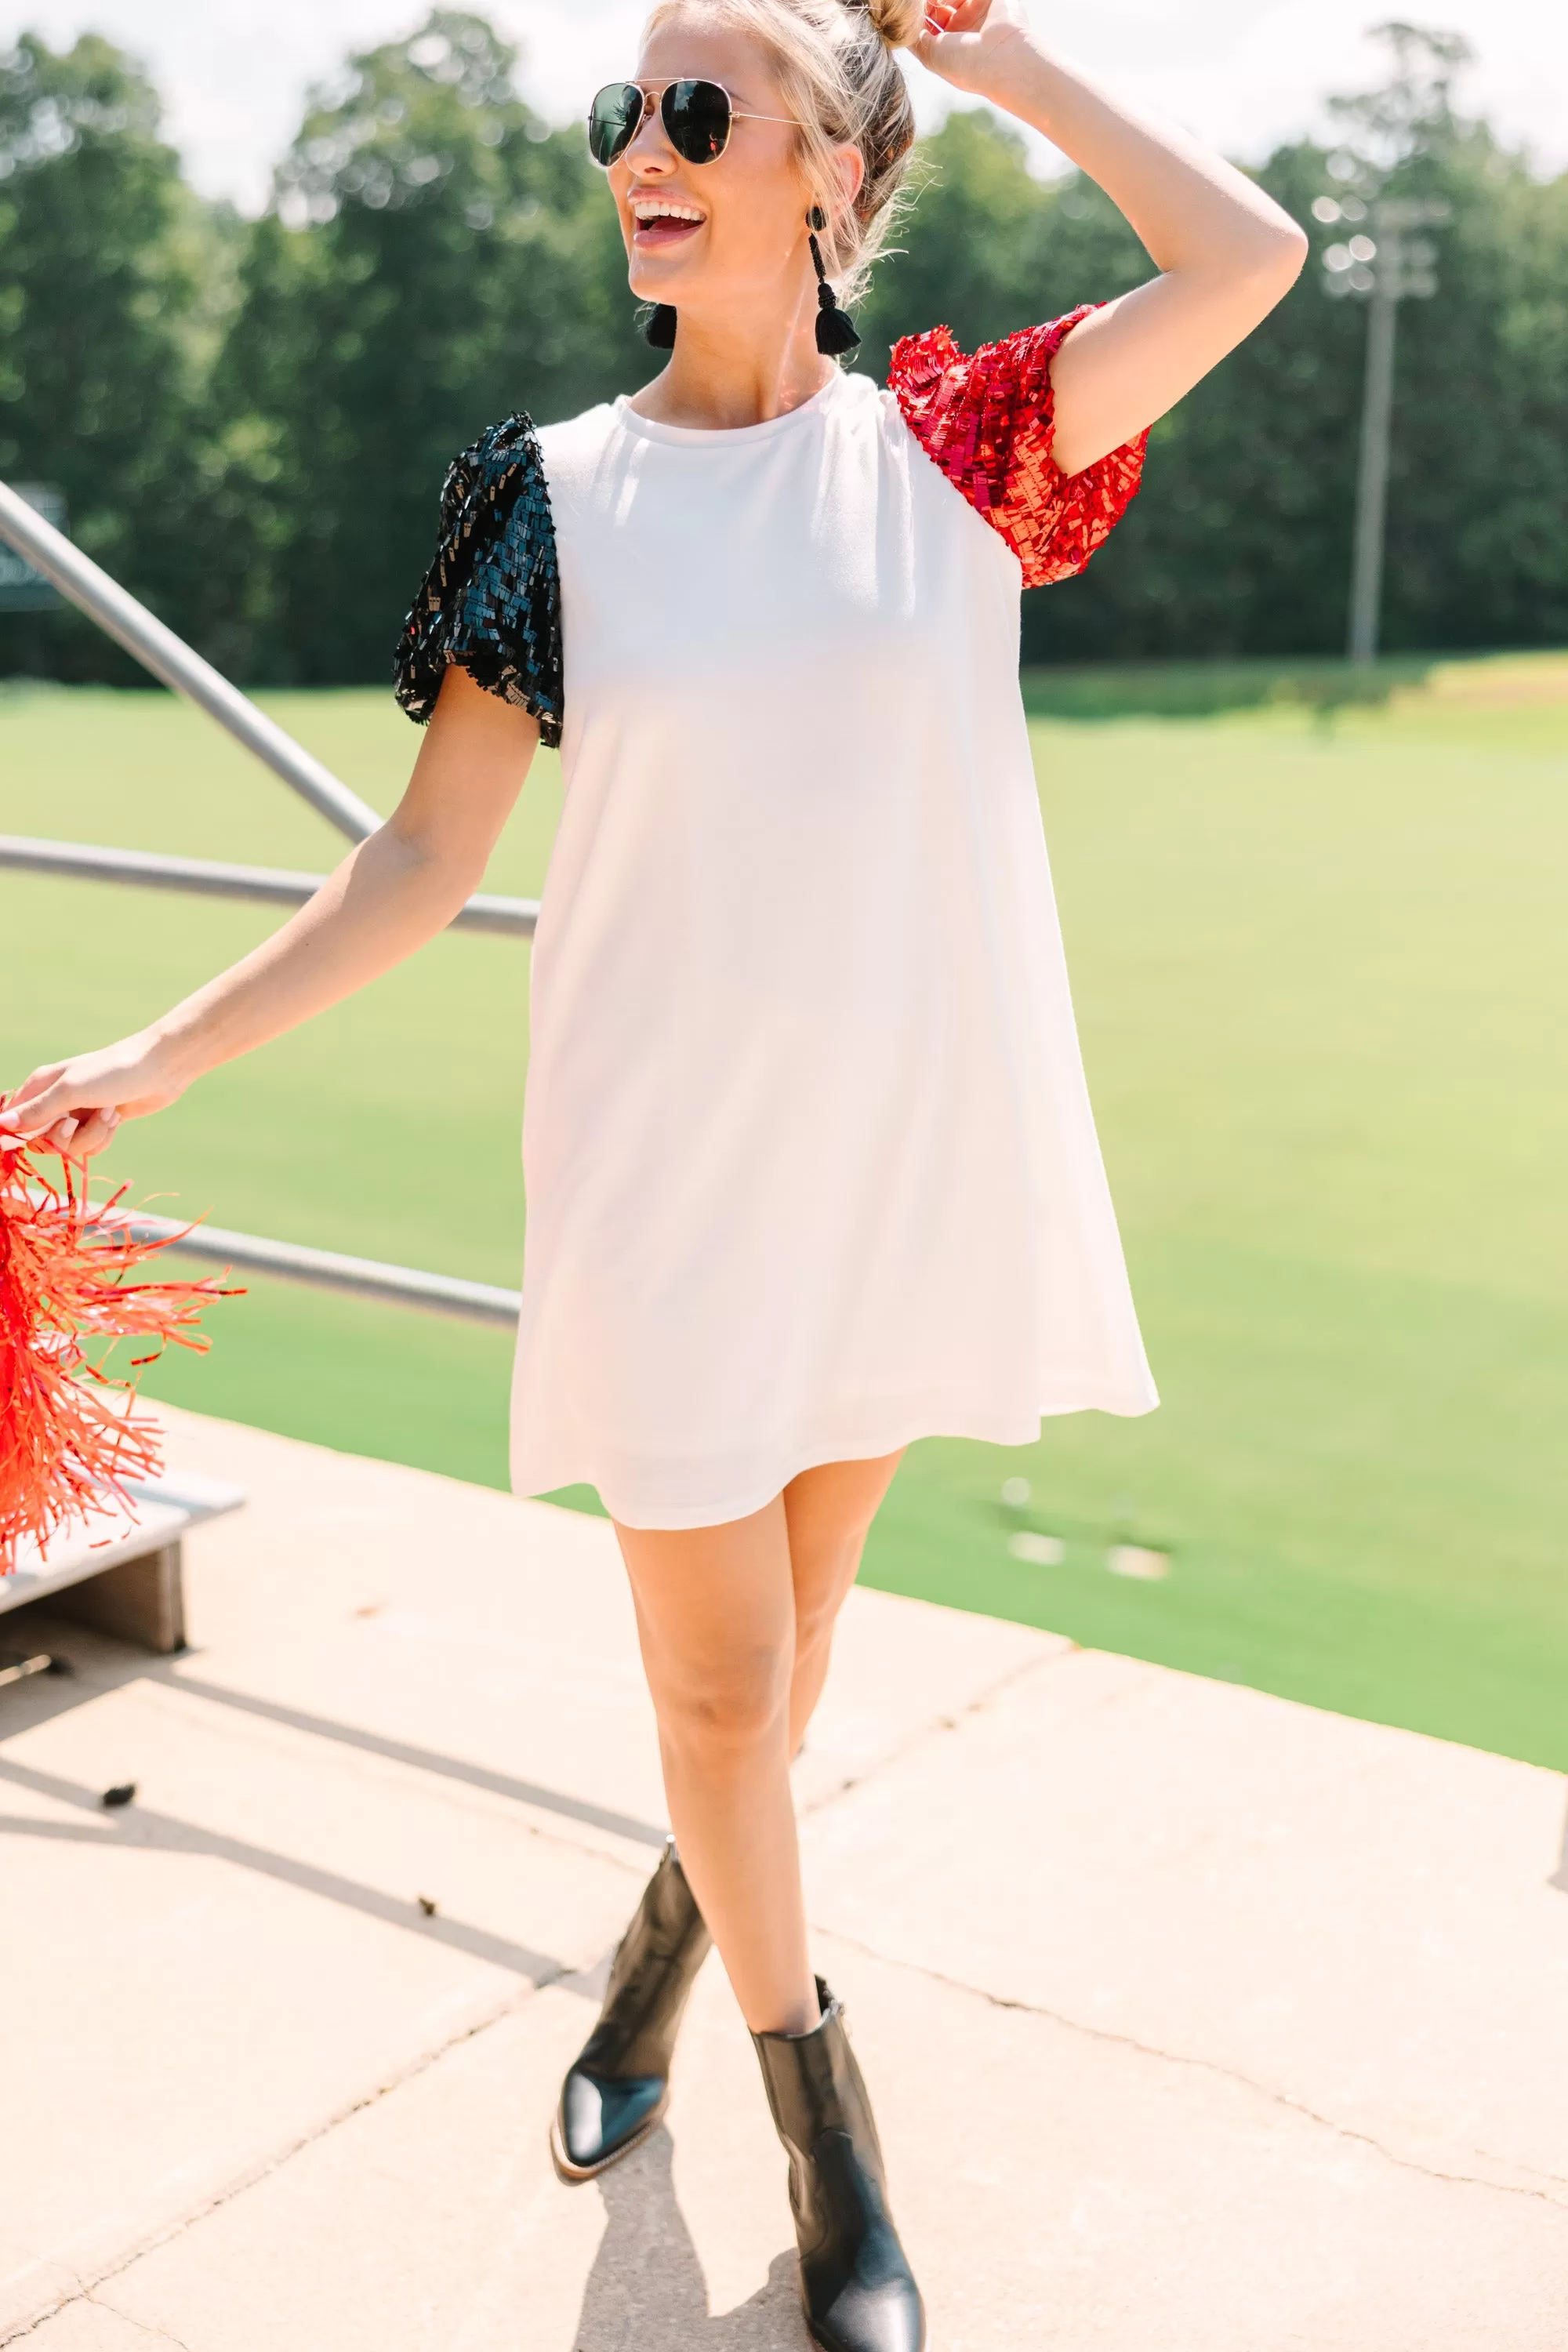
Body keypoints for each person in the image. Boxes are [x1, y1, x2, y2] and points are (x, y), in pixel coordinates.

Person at [0, 2, 1305, 2343]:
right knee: (723, 1700)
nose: (647, 153)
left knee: (785, 1672)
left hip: (904, 1159)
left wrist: (1001, 57)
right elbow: (421, 859)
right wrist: (166, 1051)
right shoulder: (547, 498)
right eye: (628, 114)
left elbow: (1248, 254)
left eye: (705, 113)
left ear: (832, 171)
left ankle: (651, 1962)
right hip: (665, 1182)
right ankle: (834, 2146)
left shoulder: (967, 447)